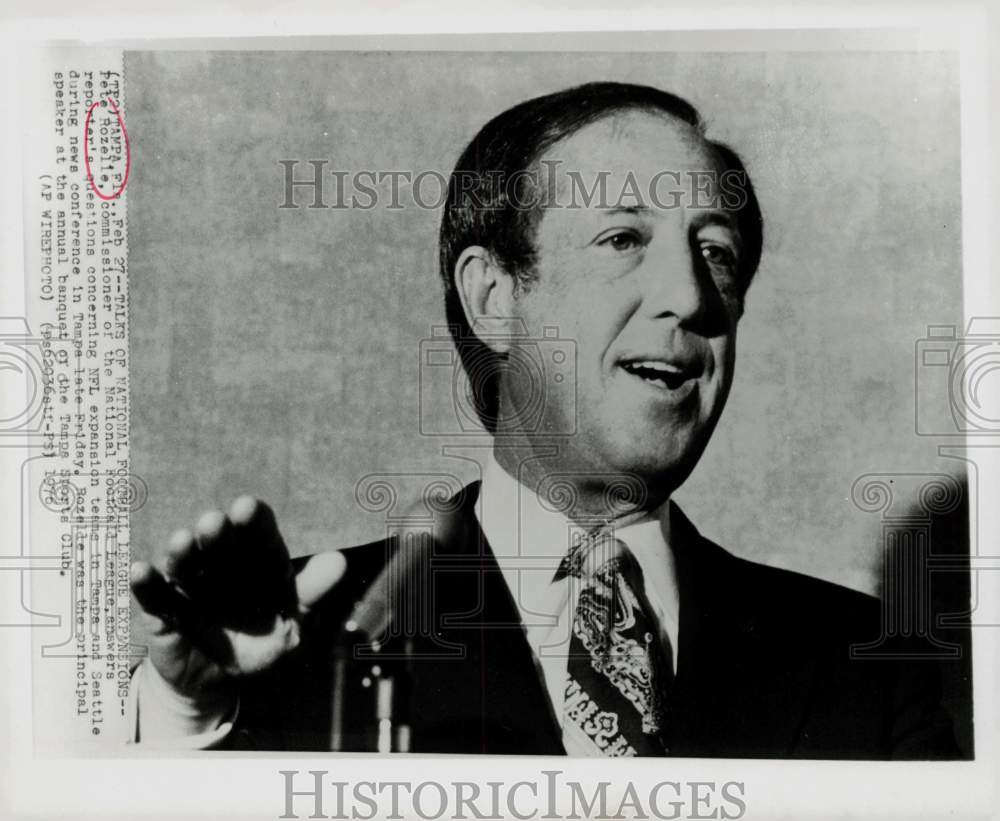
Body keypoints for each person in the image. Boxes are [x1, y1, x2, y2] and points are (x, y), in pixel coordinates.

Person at [128, 81, 960, 757]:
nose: (691, 296)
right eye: (623, 237)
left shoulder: (869, 659)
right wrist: (190, 719)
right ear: (494, 296)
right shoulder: (302, 639)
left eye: (717, 254)